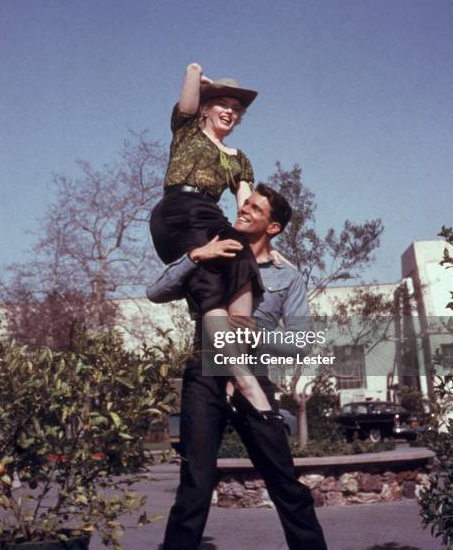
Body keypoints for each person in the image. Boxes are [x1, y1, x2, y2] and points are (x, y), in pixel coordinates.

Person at [147, 184, 328, 550]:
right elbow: (155, 291)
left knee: (284, 482)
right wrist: (196, 255)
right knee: (195, 485)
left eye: (255, 209)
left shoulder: (287, 276)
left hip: (254, 380)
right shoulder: (215, 252)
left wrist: (257, 333)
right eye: (245, 203)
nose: (243, 209)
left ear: (272, 227)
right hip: (205, 375)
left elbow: (302, 342)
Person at [150, 62, 271, 411]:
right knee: (209, 278)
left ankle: (236, 361)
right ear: (206, 108)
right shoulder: (187, 129)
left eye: (237, 110)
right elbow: (187, 94)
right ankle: (245, 382)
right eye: (224, 105)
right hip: (177, 211)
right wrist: (199, 77)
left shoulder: (240, 160)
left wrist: (266, 246)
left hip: (209, 215)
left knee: (243, 256)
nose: (231, 113)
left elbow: (247, 208)